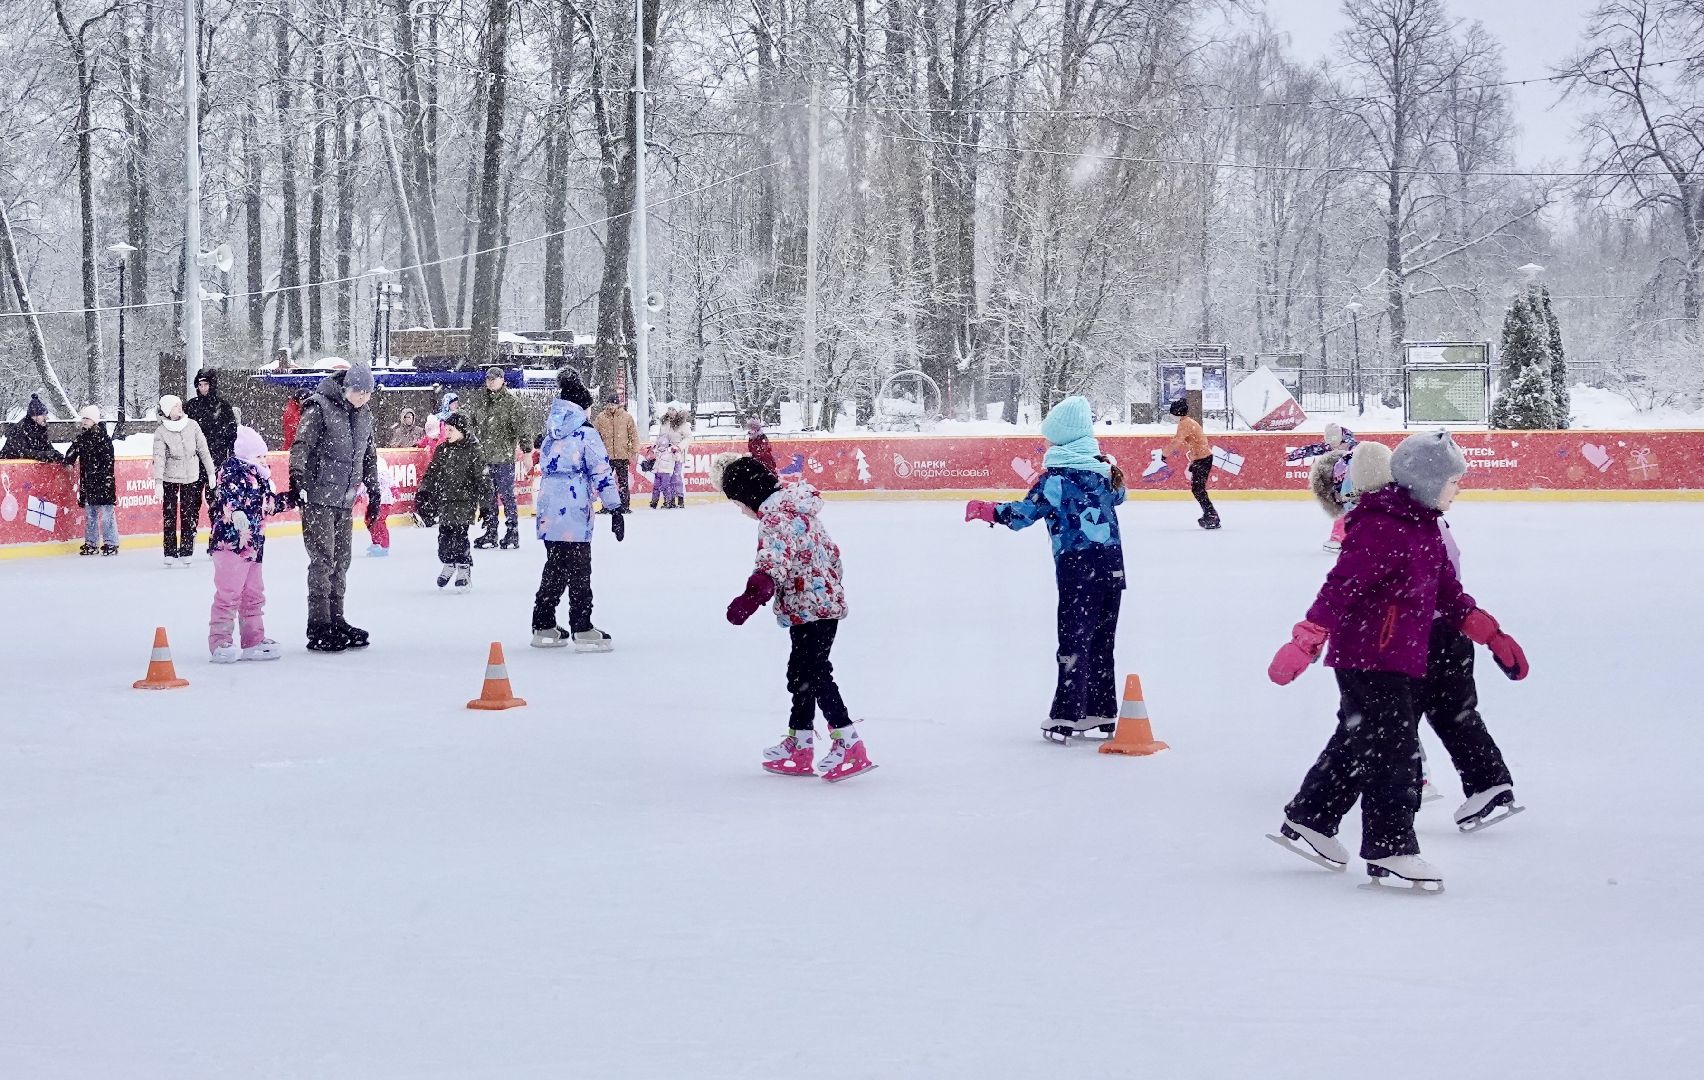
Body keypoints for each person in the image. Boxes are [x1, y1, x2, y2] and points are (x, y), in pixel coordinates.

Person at [1266, 431, 1530, 893]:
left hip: (1400, 655)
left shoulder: (1425, 524)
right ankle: (1391, 848)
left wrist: (1490, 634)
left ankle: (1310, 818)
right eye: (1454, 480)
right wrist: (1307, 639)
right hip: (1368, 656)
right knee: (1395, 753)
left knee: (1358, 741)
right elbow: (1340, 587)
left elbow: (1450, 595)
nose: (1459, 488)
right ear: (1429, 482)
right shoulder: (1380, 526)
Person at [1345, 441, 1525, 832]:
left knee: (1382, 718)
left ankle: (1398, 793)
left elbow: (1422, 584)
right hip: (1447, 630)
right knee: (1452, 711)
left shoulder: (1402, 523)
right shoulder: (1426, 518)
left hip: (1417, 634)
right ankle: (1488, 781)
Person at [965, 396, 1128, 742]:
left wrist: (988, 511)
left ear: (1065, 439)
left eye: (1050, 437)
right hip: (1112, 569)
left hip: (1077, 569)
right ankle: (1100, 709)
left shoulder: (1056, 480)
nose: (1046, 443)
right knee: (1101, 641)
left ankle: (1068, 715)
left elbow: (1023, 514)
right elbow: (1119, 496)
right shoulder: (1102, 474)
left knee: (1073, 641)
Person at [715, 452, 875, 781]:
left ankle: (848, 742)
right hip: (819, 604)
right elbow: (831, 553)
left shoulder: (774, 518)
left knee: (814, 673)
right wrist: (826, 586)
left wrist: (751, 597)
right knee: (801, 673)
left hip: (810, 606)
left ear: (748, 496)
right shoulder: (800, 508)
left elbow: (772, 563)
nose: (741, 511)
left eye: (738, 503)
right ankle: (800, 744)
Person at [288, 361, 381, 653]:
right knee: (322, 561)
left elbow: (369, 455)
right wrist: (296, 479)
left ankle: (336, 619)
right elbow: (301, 444)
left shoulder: (364, 415)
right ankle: (318, 626)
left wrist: (374, 490)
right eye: (358, 391)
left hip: (345, 498)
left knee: (342, 561)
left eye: (368, 393)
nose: (363, 398)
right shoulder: (319, 407)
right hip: (318, 497)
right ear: (346, 387)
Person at [531, 370, 624, 648]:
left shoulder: (549, 433)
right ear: (583, 407)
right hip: (573, 509)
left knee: (555, 567)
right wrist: (615, 507)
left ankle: (543, 623)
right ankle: (582, 626)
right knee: (580, 569)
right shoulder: (586, 434)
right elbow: (601, 472)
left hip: (549, 507)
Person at [207, 427, 281, 663]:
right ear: (245, 455)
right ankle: (220, 642)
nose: (263, 460)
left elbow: (269, 505)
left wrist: (295, 499)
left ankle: (253, 640)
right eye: (258, 456)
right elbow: (228, 495)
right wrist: (236, 512)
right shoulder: (232, 470)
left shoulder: (261, 478)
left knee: (253, 594)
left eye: (264, 456)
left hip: (254, 544)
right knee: (229, 594)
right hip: (231, 543)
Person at [414, 413, 489, 592]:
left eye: (450, 430)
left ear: (461, 430)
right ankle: (448, 562)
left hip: (465, 500)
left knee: (460, 534)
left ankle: (464, 567)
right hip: (446, 500)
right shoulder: (442, 450)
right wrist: (425, 490)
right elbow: (432, 472)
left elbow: (482, 479)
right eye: (445, 429)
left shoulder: (473, 450)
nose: (446, 433)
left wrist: (486, 506)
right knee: (444, 536)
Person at [465, 366, 530, 549]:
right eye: (488, 379)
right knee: (487, 497)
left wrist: (526, 452)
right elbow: (470, 423)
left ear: (502, 380)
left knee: (507, 496)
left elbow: (523, 428)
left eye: (494, 378)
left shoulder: (511, 403)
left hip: (503, 457)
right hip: (484, 458)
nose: (490, 381)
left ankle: (512, 532)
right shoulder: (481, 401)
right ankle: (491, 531)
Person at [152, 394, 217, 567]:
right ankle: (170, 551)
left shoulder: (192, 425)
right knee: (170, 514)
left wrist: (211, 472)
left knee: (188, 514)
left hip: (191, 476)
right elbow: (159, 458)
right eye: (175, 406)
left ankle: (187, 550)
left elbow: (203, 449)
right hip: (170, 477)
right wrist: (158, 481)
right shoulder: (161, 431)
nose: (179, 409)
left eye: (180, 405)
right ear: (167, 410)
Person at [1287, 423, 1358, 552]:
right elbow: (1312, 449)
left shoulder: (1353, 447)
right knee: (1345, 511)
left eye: (1334, 442)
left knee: (1347, 510)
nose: (1331, 445)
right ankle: (1344, 538)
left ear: (1341, 437)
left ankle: (1338, 538)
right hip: (1339, 484)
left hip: (1352, 484)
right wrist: (1295, 454)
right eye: (1329, 442)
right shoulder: (1328, 446)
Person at [64, 405, 118, 555]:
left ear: (94, 421)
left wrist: (100, 474)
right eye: (83, 418)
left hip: (103, 482)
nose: (84, 421)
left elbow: (108, 461)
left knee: (107, 515)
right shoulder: (82, 438)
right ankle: (91, 542)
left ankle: (111, 542)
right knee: (90, 515)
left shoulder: (103, 439)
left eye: (87, 418)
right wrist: (68, 460)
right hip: (89, 483)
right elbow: (73, 450)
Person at [1165, 399, 1218, 530]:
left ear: (1177, 412)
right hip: (1202, 458)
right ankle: (1210, 514)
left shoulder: (1185, 424)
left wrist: (1165, 454)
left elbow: (1177, 440)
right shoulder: (1189, 422)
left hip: (1203, 459)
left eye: (1172, 413)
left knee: (1198, 489)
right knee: (1198, 489)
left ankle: (1212, 515)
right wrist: (1194, 461)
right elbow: (1198, 443)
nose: (1171, 416)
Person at [591, 391, 639, 513]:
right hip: (606, 456)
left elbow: (633, 435)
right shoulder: (601, 418)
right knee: (606, 482)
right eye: (609, 404)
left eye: (613, 404)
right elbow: (594, 436)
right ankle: (606, 506)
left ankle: (624, 505)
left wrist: (634, 451)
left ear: (618, 405)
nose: (611, 406)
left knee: (623, 481)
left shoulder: (627, 417)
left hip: (622, 455)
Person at [185, 368, 239, 465]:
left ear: (212, 385)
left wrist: (230, 451)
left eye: (206, 384)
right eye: (200, 385)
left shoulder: (223, 405)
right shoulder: (191, 405)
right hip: (196, 455)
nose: (203, 388)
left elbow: (231, 431)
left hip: (217, 454)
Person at [648, 407, 692, 509]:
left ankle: (680, 498)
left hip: (676, 454)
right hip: (665, 455)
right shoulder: (664, 422)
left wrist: (679, 447)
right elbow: (661, 437)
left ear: (677, 411)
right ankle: (670, 499)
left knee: (676, 476)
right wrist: (655, 445)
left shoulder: (682, 424)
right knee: (666, 478)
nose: (671, 412)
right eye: (669, 409)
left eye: (673, 410)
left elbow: (688, 437)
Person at [2, 395, 64, 462]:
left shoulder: (41, 429)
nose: (46, 418)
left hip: (25, 467)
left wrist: (55, 454)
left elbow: (46, 446)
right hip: (9, 466)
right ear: (34, 416)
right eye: (44, 415)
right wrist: (45, 455)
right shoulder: (20, 429)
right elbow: (23, 452)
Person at [364, 463, 394, 558]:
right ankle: (376, 542)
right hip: (374, 501)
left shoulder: (381, 473)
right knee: (370, 520)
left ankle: (383, 545)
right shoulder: (370, 474)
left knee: (378, 522)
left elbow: (388, 483)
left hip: (383, 502)